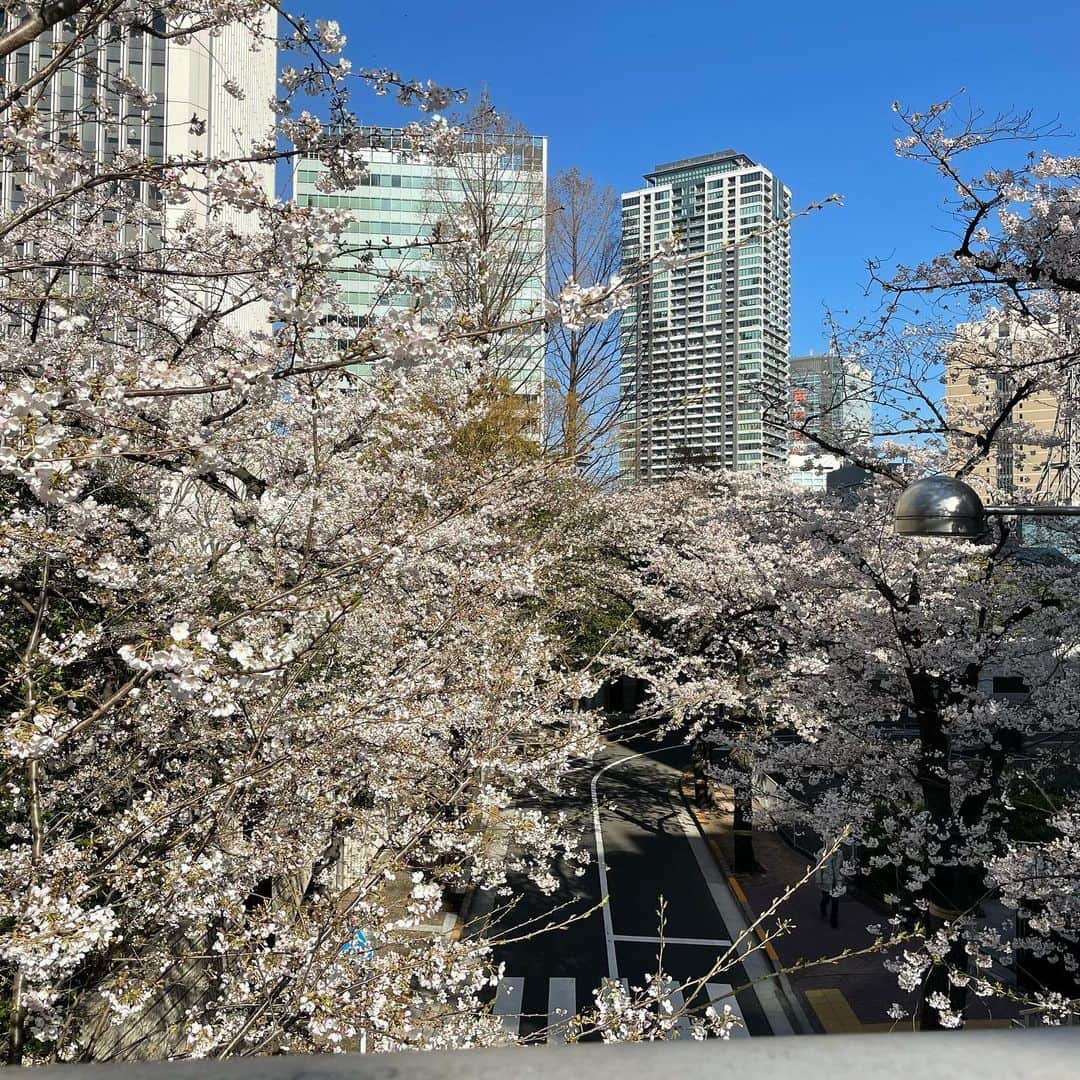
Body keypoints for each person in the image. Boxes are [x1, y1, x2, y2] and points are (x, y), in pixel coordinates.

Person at [814, 845, 845, 928]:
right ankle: (822, 907)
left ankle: (834, 921)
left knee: (835, 902)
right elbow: (818, 867)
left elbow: (841, 867)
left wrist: (842, 879)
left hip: (836, 882)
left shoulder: (840, 853)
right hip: (826, 882)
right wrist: (819, 880)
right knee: (826, 899)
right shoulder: (821, 852)